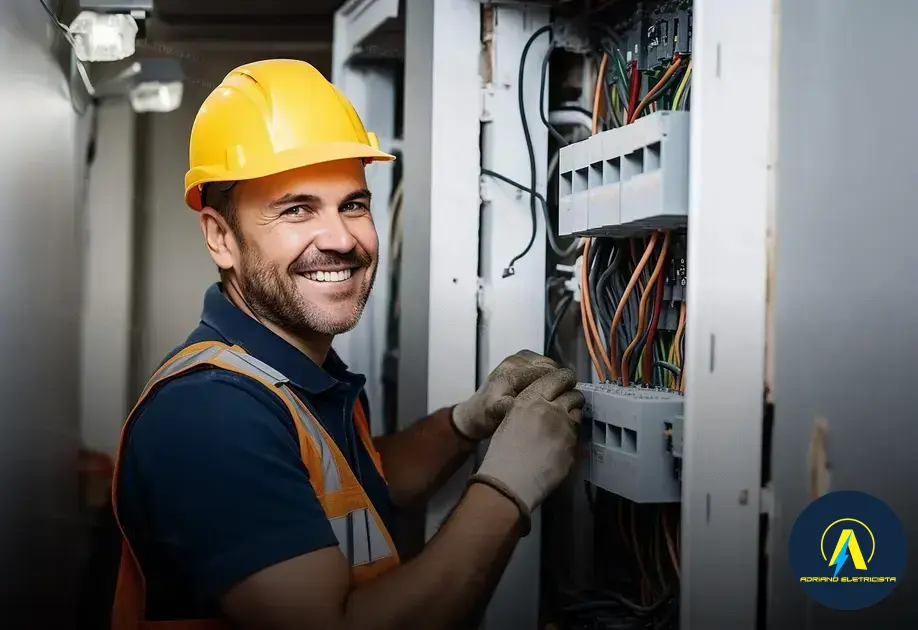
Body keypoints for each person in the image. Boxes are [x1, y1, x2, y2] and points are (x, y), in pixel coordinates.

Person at [110, 59, 583, 630]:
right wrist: (506, 488)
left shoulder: (290, 375)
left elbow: (360, 484)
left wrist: (466, 422)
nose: (340, 238)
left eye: (353, 204)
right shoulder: (211, 412)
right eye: (296, 209)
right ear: (220, 237)